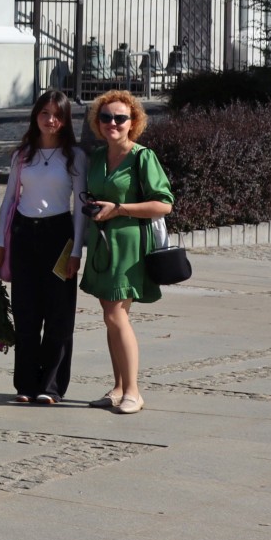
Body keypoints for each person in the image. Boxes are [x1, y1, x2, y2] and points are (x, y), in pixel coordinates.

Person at [79, 90, 173, 415]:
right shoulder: (97, 157)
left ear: (133, 122)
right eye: (106, 118)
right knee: (112, 317)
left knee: (115, 315)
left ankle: (134, 391)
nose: (113, 124)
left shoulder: (142, 156)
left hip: (130, 244)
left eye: (121, 118)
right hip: (103, 243)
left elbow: (164, 203)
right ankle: (118, 388)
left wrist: (119, 209)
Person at [0, 91, 86, 405]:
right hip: (23, 234)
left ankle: (52, 386)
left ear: (65, 119)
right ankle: (26, 384)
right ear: (36, 115)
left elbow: (80, 207)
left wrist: (76, 251)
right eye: (44, 113)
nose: (50, 120)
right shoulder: (23, 154)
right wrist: (0, 244)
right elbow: (8, 202)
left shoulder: (75, 156)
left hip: (58, 234)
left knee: (59, 315)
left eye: (57, 115)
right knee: (26, 313)